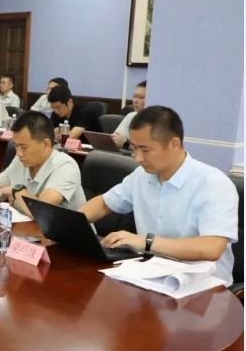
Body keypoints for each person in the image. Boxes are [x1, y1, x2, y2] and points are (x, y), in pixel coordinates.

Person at [80, 106, 238, 285]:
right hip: (151, 275)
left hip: (203, 286)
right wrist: (72, 225)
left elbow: (211, 248)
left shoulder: (213, 183)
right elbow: (104, 203)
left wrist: (146, 242)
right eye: (134, 148)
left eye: (145, 150)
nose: (138, 158)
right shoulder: (141, 175)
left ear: (174, 144)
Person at [0, 111, 86, 216]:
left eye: (24, 147)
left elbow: (41, 209)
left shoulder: (65, 166)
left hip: (67, 241)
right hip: (29, 232)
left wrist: (15, 191)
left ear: (45, 144)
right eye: (16, 146)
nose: (18, 153)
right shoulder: (21, 160)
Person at [112, 80, 147, 148]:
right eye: (135, 96)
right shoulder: (131, 116)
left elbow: (148, 149)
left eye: (141, 97)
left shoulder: (158, 122)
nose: (135, 101)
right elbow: (115, 139)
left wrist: (126, 144)